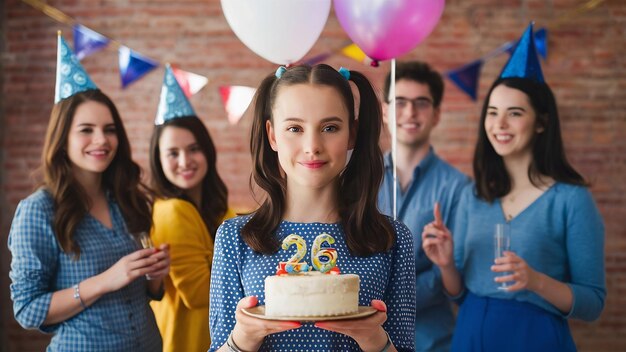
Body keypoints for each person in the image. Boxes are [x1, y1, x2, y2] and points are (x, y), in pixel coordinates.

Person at [422, 24, 606, 351]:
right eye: (492, 113)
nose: (499, 125)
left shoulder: (571, 200)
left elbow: (592, 302)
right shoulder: (473, 195)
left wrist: (535, 281)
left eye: (514, 113)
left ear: (541, 122)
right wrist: (446, 264)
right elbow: (459, 294)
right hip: (470, 336)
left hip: (535, 338)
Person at [209, 64, 416, 351]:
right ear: (272, 135)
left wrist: (372, 337)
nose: (312, 145)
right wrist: (243, 337)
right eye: (295, 128)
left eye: (330, 128)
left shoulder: (392, 238)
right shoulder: (235, 238)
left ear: (351, 134)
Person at [8, 34, 169, 351]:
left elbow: (148, 294)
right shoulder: (38, 210)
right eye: (86, 130)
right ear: (63, 138)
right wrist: (105, 281)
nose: (102, 140)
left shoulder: (127, 197)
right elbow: (27, 310)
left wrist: (155, 274)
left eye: (109, 130)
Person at [377, 61, 469, 351]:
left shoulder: (459, 188)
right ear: (384, 111)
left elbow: (457, 284)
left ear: (437, 113)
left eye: (422, 103)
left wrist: (445, 267)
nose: (410, 113)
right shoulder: (357, 180)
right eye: (400, 102)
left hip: (430, 341)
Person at [148, 65, 236, 352]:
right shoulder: (172, 210)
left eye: (193, 148)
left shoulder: (222, 209)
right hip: (184, 343)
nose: (185, 161)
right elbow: (198, 294)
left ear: (207, 151)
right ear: (158, 160)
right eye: (173, 153)